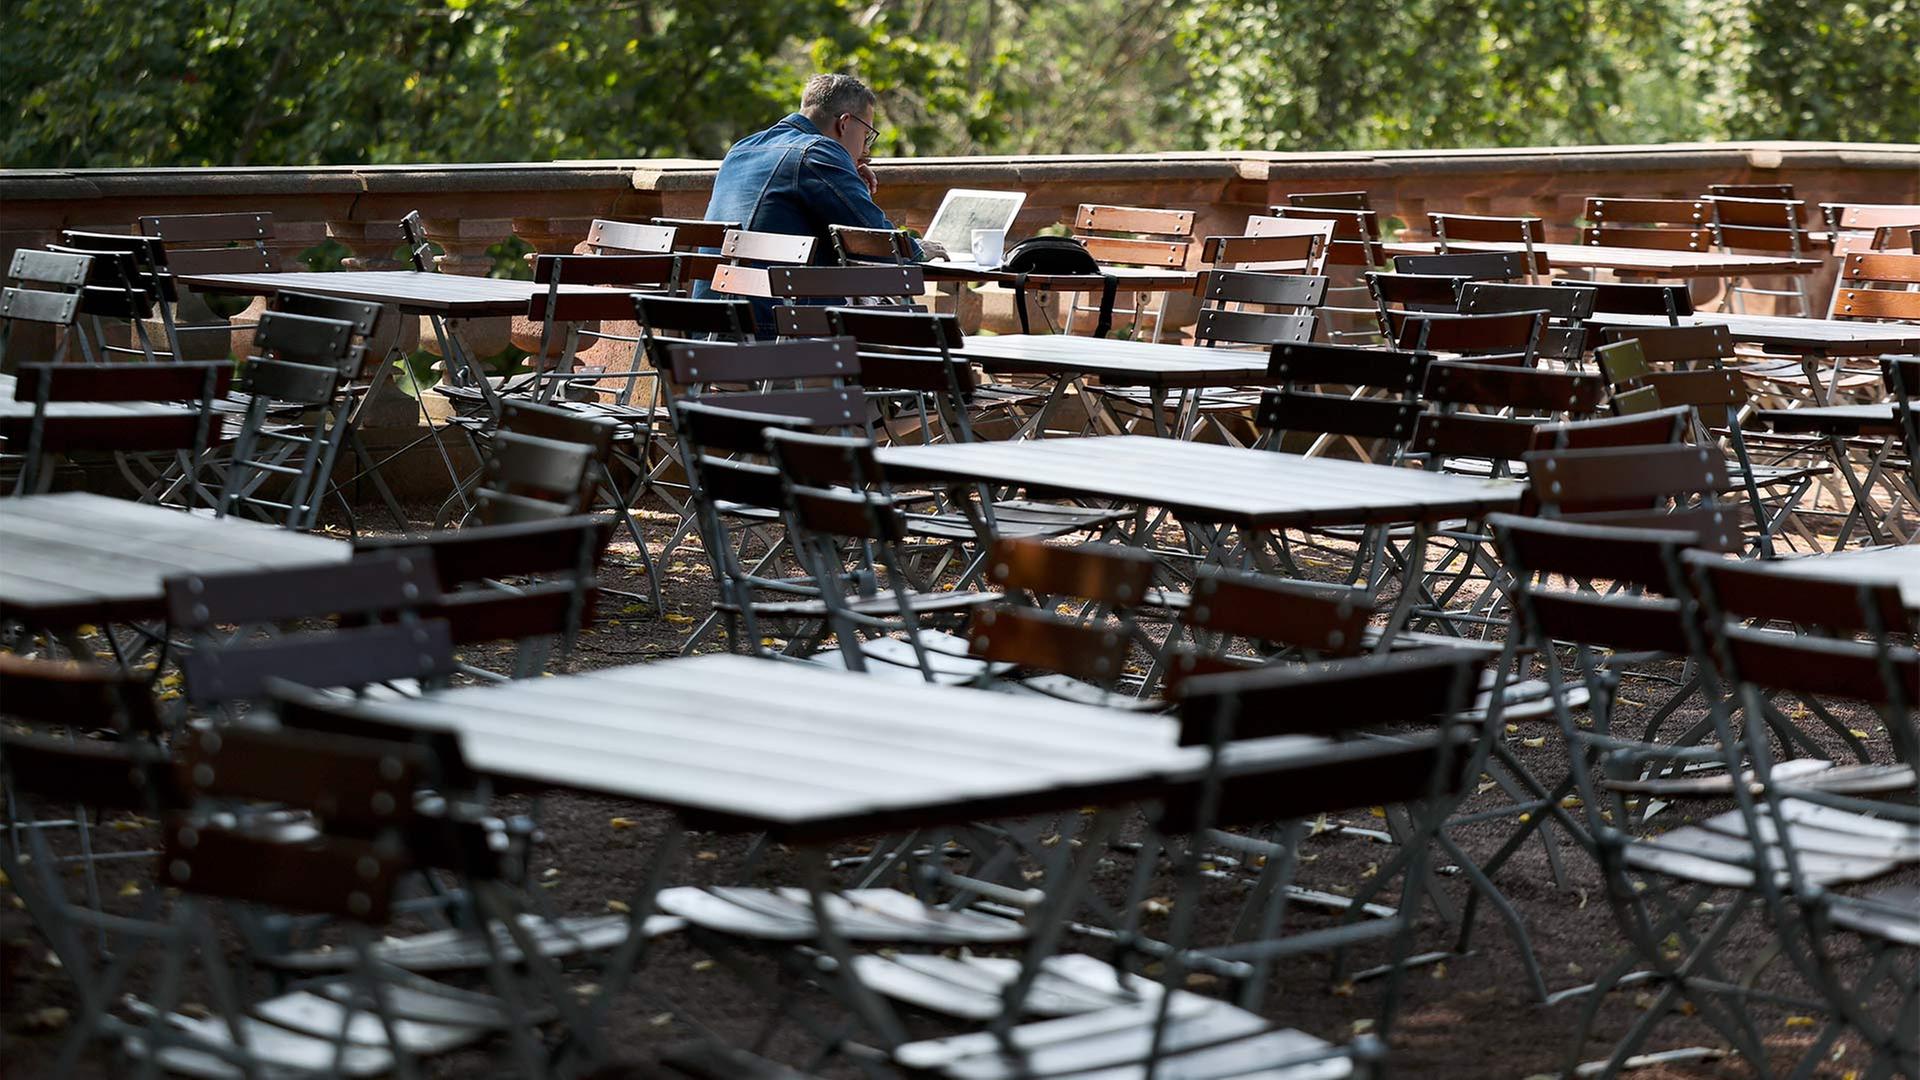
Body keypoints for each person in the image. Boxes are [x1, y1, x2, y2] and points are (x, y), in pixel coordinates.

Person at [696, 73, 945, 335]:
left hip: (710, 327)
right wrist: (917, 249)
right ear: (845, 123)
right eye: (867, 135)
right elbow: (876, 241)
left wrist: (847, 174)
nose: (866, 150)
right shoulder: (818, 151)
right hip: (773, 330)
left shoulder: (742, 148)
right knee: (907, 327)